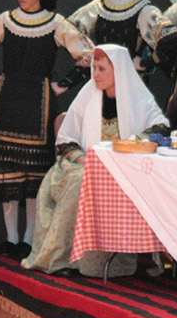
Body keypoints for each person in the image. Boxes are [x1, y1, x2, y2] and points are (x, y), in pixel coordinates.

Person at [0, 0, 93, 259]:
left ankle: (30, 239)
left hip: (39, 103)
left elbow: (89, 55)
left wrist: (63, 85)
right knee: (6, 171)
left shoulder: (56, 23)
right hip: (7, 100)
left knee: (34, 175)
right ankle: (11, 238)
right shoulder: (6, 20)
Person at [22, 44, 168, 275]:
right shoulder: (87, 95)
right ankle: (64, 259)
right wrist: (86, 161)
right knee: (82, 181)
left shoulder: (139, 99)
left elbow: (161, 127)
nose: (95, 75)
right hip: (83, 164)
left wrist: (133, 143)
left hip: (123, 170)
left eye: (101, 69)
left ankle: (99, 262)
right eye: (94, 69)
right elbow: (66, 138)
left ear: (118, 70)